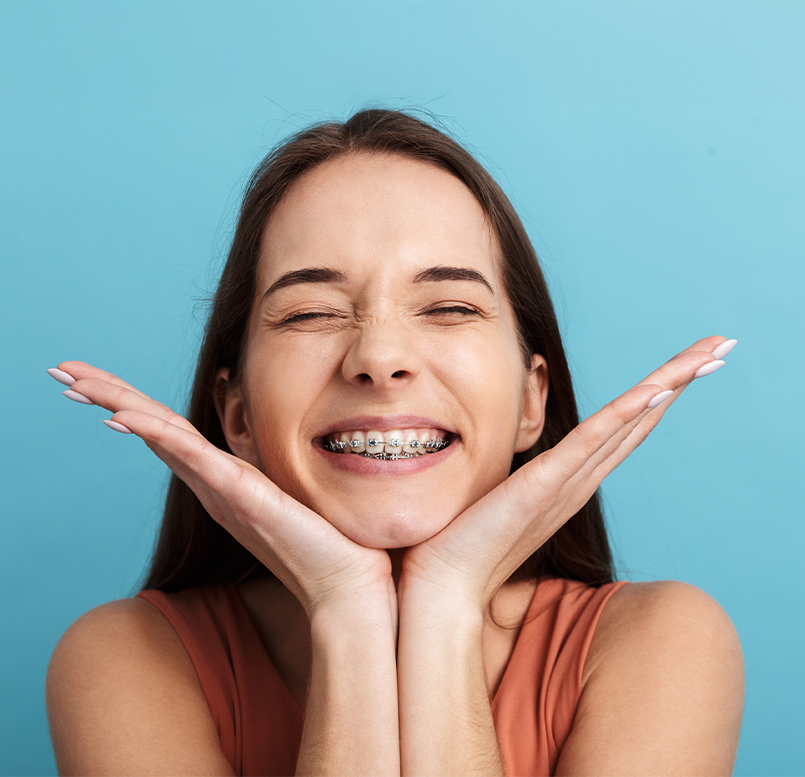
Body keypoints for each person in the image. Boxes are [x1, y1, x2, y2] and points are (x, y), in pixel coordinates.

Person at [44, 109, 744, 776]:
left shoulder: (662, 643)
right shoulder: (126, 658)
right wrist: (347, 609)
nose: (378, 357)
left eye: (449, 307)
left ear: (533, 401)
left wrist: (444, 601)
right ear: (238, 417)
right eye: (311, 311)